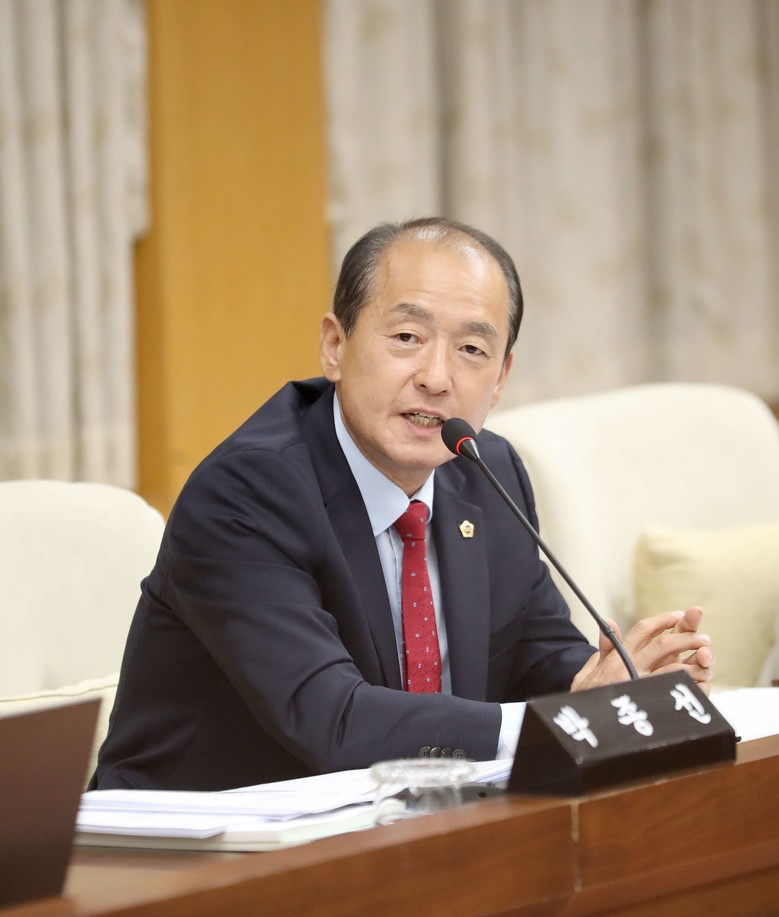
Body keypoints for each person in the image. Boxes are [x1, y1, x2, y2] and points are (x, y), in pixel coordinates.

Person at [92, 218, 713, 791]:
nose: (436, 378)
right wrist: (561, 721)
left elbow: (542, 657)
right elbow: (331, 718)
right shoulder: (247, 491)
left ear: (501, 378)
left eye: (472, 350)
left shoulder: (485, 472)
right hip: (191, 842)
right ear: (334, 346)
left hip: (402, 828)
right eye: (407, 337)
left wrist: (624, 690)